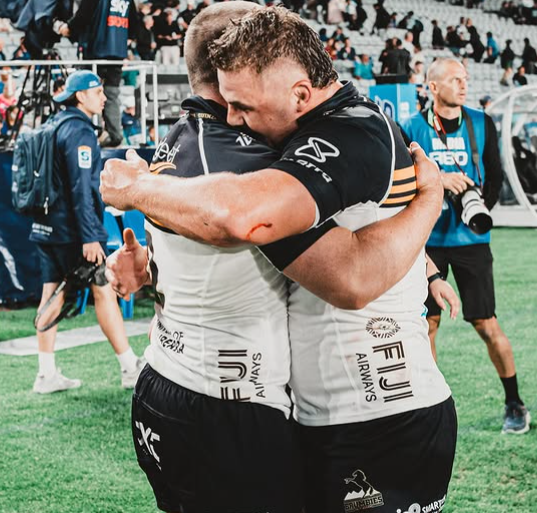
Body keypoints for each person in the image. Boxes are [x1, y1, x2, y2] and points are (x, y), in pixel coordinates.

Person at [101, 6, 458, 512]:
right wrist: (153, 260)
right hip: (247, 404)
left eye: (243, 105)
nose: (233, 117)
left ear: (293, 88)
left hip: (376, 413)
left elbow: (340, 273)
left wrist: (138, 191)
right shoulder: (251, 148)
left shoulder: (329, 137)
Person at [400, 57, 531, 435]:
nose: (464, 84)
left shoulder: (480, 121)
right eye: (455, 79)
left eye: (466, 79)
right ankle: (428, 406)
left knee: (486, 323)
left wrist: (477, 204)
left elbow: (495, 174)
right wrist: (439, 179)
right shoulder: (411, 126)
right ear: (433, 87)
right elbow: (401, 181)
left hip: (472, 239)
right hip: (427, 240)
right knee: (427, 325)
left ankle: (514, 402)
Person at [30, 70, 144, 394]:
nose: (104, 97)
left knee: (50, 291)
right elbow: (82, 188)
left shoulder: (53, 124)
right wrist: (91, 235)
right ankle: (128, 366)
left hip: (46, 226)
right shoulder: (79, 131)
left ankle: (46, 373)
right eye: (97, 92)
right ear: (80, 96)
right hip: (71, 230)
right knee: (104, 288)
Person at [58, 0, 139, 147]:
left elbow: (82, 18)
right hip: (117, 53)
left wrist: (66, 28)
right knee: (111, 94)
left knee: (86, 93)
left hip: (95, 50)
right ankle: (114, 135)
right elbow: (134, 26)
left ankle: (85, 133)